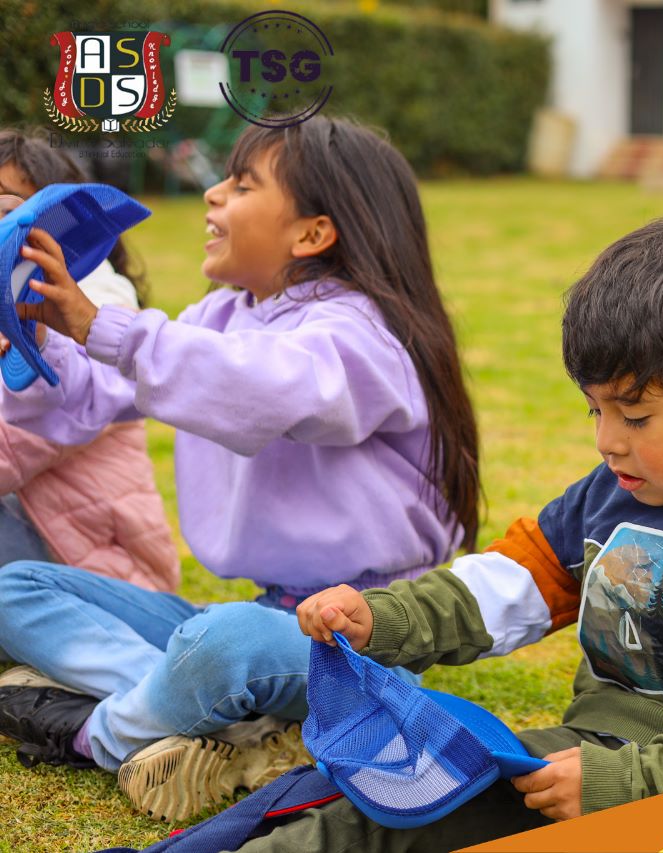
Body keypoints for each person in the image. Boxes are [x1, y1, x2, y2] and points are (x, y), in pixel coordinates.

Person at [227, 216, 663, 852]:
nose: (607, 440)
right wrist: (383, 617)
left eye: (634, 415)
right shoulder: (614, 493)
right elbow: (503, 585)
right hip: (594, 764)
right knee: (362, 789)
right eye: (595, 410)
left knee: (392, 821)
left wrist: (622, 786)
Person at [0, 117, 481, 824]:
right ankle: (216, 722)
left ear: (312, 233)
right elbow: (93, 398)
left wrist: (102, 325)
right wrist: (35, 337)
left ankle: (98, 734)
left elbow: (265, 384)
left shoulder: (362, 335)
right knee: (16, 587)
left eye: (242, 184)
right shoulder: (224, 315)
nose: (212, 194)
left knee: (226, 640)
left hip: (357, 635)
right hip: (270, 614)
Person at [0, 129, 177, 593]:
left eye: (6, 210)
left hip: (106, 579)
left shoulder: (97, 318)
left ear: (62, 223)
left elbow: (10, 450)